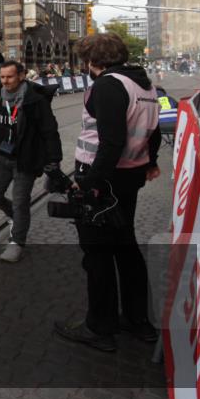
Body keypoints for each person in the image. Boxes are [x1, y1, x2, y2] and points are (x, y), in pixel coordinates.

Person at [53, 32, 161, 352]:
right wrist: (151, 161)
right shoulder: (144, 85)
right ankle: (137, 320)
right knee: (125, 246)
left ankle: (99, 327)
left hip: (104, 179)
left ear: (91, 61)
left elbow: (111, 142)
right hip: (130, 176)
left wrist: (89, 184)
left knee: (97, 253)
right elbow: (154, 131)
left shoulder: (107, 85)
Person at [0, 60, 62, 263]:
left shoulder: (35, 101)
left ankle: (17, 242)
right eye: (2, 77)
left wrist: (54, 160)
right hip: (0, 157)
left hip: (26, 158)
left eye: (10, 77)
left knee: (20, 202)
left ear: (22, 76)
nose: (5, 81)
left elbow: (50, 131)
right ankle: (15, 217)